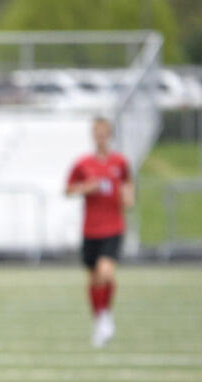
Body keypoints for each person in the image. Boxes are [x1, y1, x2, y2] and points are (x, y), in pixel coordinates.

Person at [65, 116, 133, 348]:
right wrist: (86, 187)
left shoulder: (120, 162)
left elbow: (127, 183)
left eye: (104, 133)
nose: (101, 137)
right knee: (94, 279)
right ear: (93, 135)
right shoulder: (83, 164)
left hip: (113, 227)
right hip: (90, 229)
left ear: (109, 135)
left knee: (106, 272)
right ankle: (100, 319)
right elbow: (68, 189)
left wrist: (128, 196)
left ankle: (105, 316)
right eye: (97, 133)